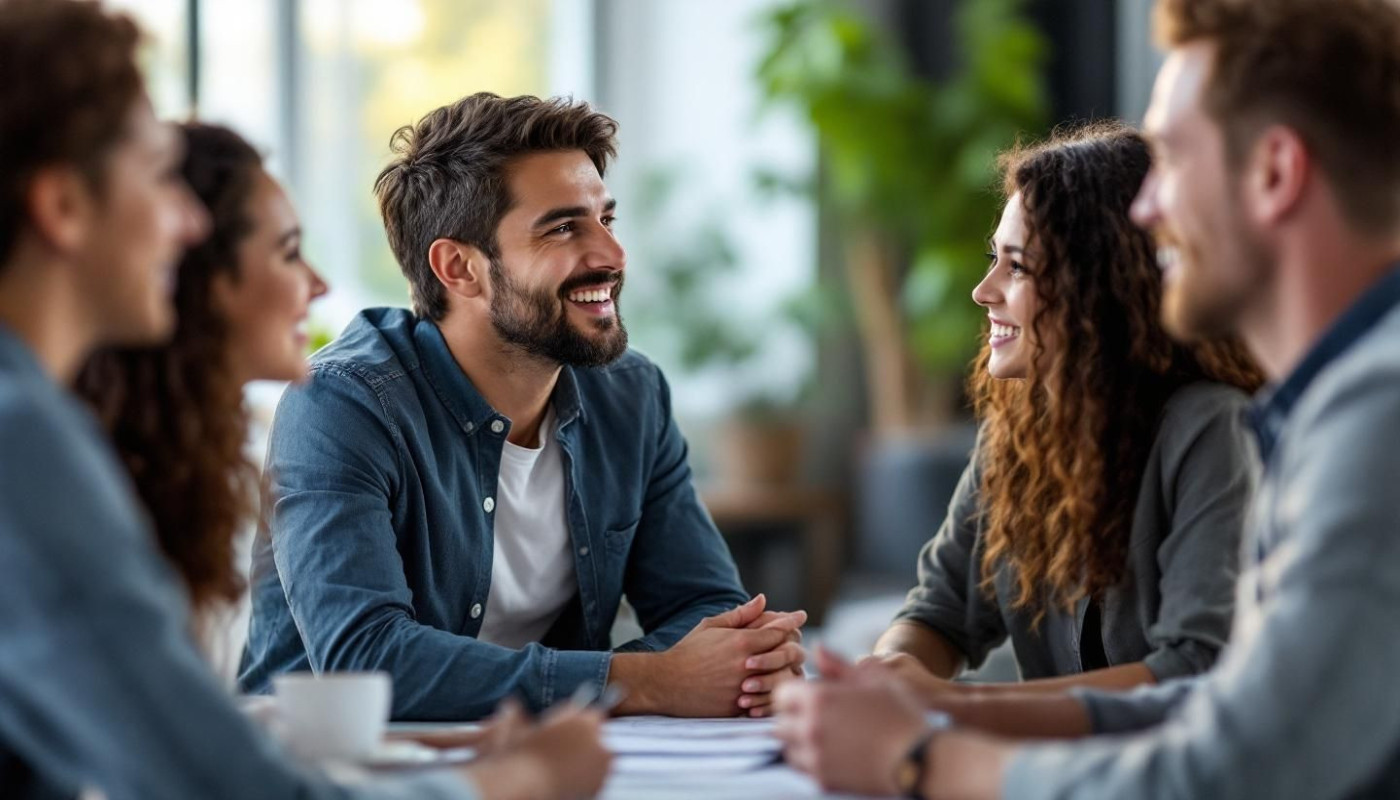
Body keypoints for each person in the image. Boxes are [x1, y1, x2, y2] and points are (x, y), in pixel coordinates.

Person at [775, 0, 1400, 797]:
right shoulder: (1324, 411)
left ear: (1275, 172)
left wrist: (925, 755)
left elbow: (1226, 768)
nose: (1148, 210)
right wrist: (920, 704)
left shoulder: (1371, 417)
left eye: (1172, 159)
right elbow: (1218, 710)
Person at [0, 2, 607, 798]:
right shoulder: (24, 441)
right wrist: (513, 781)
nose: (188, 224)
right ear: (64, 207)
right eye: (157, 177)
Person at [239, 91, 805, 721]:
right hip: (336, 769)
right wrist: (643, 680)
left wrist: (724, 663)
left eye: (606, 221)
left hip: (551, 761)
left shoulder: (630, 394)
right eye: (563, 228)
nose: (612, 257)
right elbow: (366, 661)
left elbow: (706, 608)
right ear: (459, 268)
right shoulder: (342, 405)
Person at [867, 121, 1262, 703]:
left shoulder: (1211, 428)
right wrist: (883, 678)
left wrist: (960, 703)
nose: (983, 290)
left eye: (1018, 267)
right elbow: (940, 611)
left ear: (1099, 285)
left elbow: (1195, 667)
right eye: (992, 259)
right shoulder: (1019, 432)